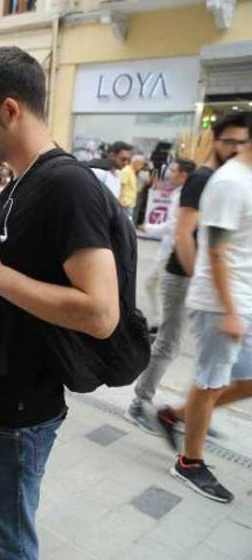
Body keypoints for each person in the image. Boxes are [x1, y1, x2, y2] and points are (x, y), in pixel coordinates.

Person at [0, 47, 120, 559]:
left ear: (9, 110)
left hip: (18, 411)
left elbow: (100, 312)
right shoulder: (24, 181)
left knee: (9, 544)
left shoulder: (67, 186)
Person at [126, 113, 249, 430]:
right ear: (216, 141)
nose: (237, 148)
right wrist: (202, 280)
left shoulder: (228, 179)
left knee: (205, 357)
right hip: (183, 276)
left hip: (198, 280)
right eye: (231, 141)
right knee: (169, 344)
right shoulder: (204, 179)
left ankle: (192, 412)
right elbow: (183, 233)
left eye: (242, 142)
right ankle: (141, 402)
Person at [157, 112, 252, 503]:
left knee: (243, 381)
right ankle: (190, 462)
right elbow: (215, 250)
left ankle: (176, 414)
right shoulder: (229, 183)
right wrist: (228, 309)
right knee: (210, 382)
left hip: (242, 300)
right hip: (221, 304)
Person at [139, 159, 194, 322]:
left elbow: (174, 226)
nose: (169, 173)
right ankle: (159, 321)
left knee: (159, 286)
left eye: (173, 170)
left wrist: (148, 228)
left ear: (183, 174)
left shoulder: (186, 195)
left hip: (172, 249)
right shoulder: (178, 192)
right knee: (153, 284)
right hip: (167, 247)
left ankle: (161, 322)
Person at [119, 154, 145, 218]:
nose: (141, 167)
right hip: (125, 203)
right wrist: (121, 200)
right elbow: (121, 185)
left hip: (129, 203)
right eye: (141, 164)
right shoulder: (126, 171)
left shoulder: (132, 172)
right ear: (136, 163)